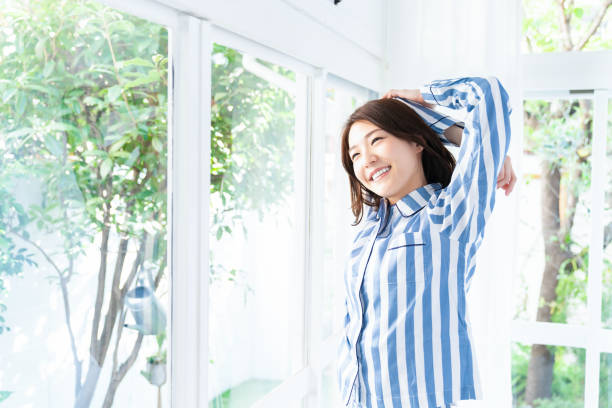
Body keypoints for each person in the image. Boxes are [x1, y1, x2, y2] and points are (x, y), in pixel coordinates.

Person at [336, 76, 516, 408]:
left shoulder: (450, 215)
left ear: (417, 141)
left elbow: (488, 95)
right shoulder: (367, 233)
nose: (367, 159)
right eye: (355, 155)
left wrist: (414, 100)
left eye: (377, 140)